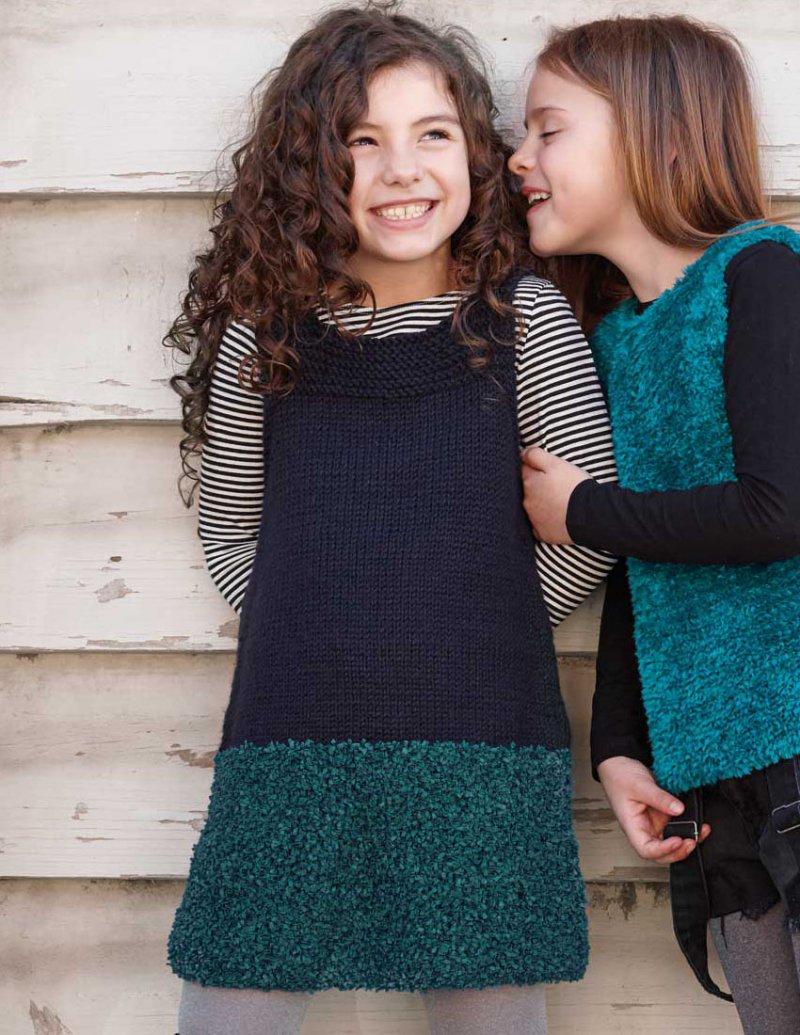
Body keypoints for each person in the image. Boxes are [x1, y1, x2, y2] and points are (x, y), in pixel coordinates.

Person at [162, 6, 621, 1034]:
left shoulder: (524, 318)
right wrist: (316, 625)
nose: (400, 169)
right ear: (306, 169)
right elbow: (233, 530)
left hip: (484, 743)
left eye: (431, 134)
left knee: (491, 1005)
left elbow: (585, 518)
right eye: (359, 142)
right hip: (288, 743)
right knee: (230, 996)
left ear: (475, 153)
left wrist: (481, 618)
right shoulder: (263, 336)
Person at [510, 14, 800, 1033]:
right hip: (716, 781)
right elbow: (646, 566)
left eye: (548, 130)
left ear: (662, 140)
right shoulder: (617, 339)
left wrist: (582, 507)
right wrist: (619, 746)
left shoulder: (764, 275)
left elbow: (778, 509)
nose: (518, 158)